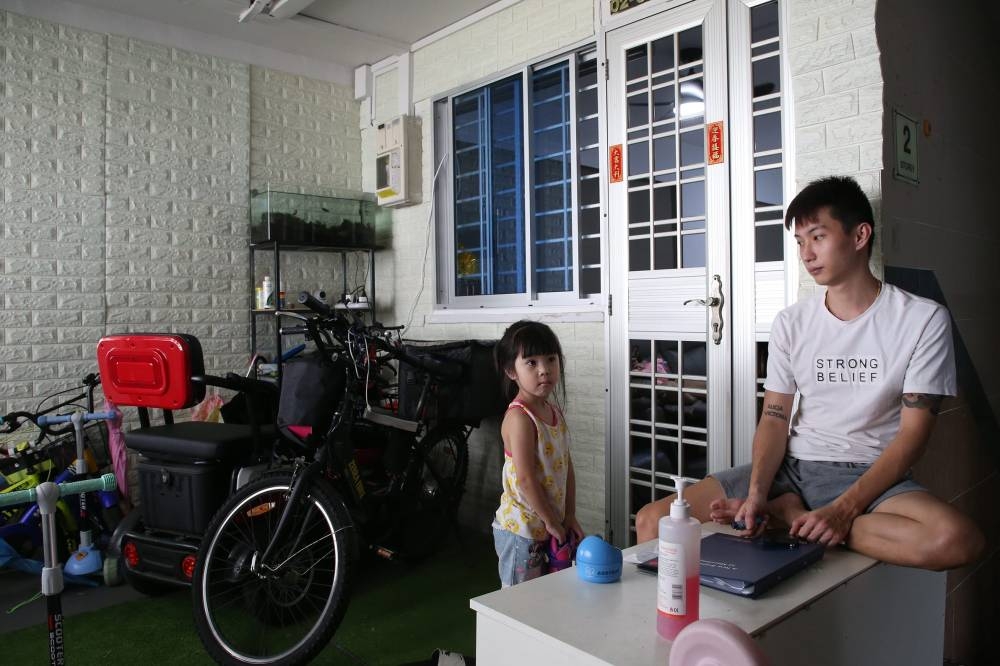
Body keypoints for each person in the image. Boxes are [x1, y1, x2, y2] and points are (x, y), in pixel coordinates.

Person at [635, 176, 984, 571]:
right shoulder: (791, 322)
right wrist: (755, 495)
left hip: (866, 473)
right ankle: (787, 510)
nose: (806, 253)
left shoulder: (921, 319)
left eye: (817, 237)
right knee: (652, 522)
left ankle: (790, 518)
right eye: (800, 242)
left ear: (860, 236)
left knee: (956, 541)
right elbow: (774, 417)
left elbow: (912, 437)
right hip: (794, 466)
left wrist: (843, 510)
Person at [492, 320, 584, 586]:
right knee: (518, 603)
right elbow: (526, 479)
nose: (544, 370)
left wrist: (568, 515)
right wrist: (551, 520)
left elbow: (567, 467)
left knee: (544, 598)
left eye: (551, 359)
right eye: (531, 362)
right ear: (512, 371)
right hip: (521, 531)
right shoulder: (520, 418)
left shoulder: (555, 413)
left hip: (548, 526)